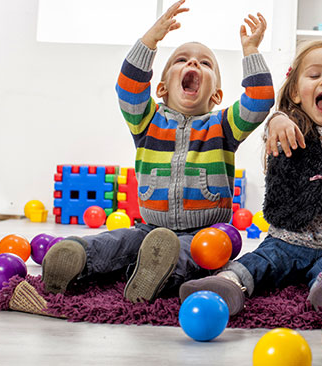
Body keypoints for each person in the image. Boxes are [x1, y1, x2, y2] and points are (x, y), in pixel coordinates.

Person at [41, 0, 274, 303]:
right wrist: (150, 40)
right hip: (150, 227)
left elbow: (259, 101)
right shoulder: (146, 121)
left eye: (205, 64)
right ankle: (78, 256)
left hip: (206, 231)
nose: (193, 65)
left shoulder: (223, 126)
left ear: (216, 95)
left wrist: (251, 51)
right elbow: (128, 86)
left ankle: (155, 273)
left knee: (198, 254)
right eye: (182, 60)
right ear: (162, 88)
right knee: (119, 241)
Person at [179, 40, 322, 315]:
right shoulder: (286, 127)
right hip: (286, 240)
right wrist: (277, 119)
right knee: (259, 261)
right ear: (297, 92)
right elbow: (273, 131)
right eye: (315, 75)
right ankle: (226, 283)